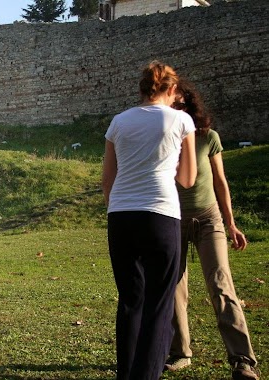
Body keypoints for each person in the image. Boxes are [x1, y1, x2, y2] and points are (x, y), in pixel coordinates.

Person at [101, 61, 197, 380]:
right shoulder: (181, 120)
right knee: (159, 302)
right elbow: (187, 178)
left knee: (130, 301)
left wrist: (118, 208)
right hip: (160, 215)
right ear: (171, 90)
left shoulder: (118, 122)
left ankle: (126, 373)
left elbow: (107, 181)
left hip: (121, 216)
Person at [164, 79, 260, 380]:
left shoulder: (208, 138)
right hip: (173, 220)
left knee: (221, 285)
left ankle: (242, 361)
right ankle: (180, 353)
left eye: (180, 104)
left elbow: (220, 182)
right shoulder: (163, 137)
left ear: (190, 106)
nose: (176, 109)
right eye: (171, 104)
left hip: (209, 219)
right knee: (173, 291)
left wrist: (231, 224)